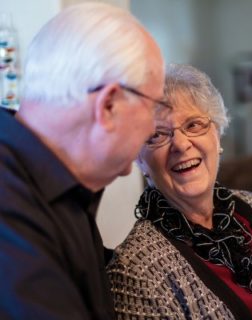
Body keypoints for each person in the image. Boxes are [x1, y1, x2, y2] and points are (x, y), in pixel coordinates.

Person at [106, 64, 252, 319]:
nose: (180, 144)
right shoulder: (136, 269)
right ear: (138, 158)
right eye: (157, 135)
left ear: (217, 135)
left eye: (193, 124)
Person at [0, 3, 166, 319]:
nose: (152, 128)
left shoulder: (65, 189)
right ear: (109, 105)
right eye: (154, 106)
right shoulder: (9, 205)